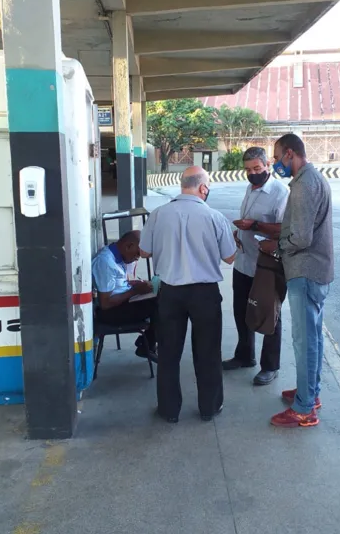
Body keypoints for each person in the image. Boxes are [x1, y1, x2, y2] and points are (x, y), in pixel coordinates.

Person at [139, 166, 236, 423]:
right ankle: (210, 407)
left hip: (170, 292)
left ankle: (169, 410)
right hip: (205, 294)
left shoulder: (158, 215)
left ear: (182, 184)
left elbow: (144, 252)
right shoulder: (215, 217)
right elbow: (229, 256)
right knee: (208, 351)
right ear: (203, 188)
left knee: (169, 352)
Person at [259, 134, 334, 428]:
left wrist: (274, 248)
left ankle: (304, 409)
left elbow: (301, 238)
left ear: (290, 154)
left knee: (304, 342)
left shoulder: (304, 185)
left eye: (277, 158)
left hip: (305, 271)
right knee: (312, 338)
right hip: (316, 270)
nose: (276, 163)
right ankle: (309, 394)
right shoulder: (313, 179)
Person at [222, 146, 289, 385]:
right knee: (241, 311)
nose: (252, 173)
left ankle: (270, 366)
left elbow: (285, 229)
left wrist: (253, 226)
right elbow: (246, 223)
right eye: (248, 170)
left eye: (257, 168)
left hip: (267, 267)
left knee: (270, 315)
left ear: (268, 166)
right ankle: (244, 355)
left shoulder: (280, 193)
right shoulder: (250, 189)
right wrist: (238, 232)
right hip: (243, 262)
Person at [92, 231, 157, 361]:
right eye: (137, 254)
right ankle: (146, 345)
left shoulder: (118, 257)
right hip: (111, 312)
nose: (137, 258)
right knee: (162, 304)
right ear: (128, 246)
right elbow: (105, 304)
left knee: (162, 298)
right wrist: (135, 291)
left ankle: (147, 343)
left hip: (124, 301)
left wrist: (135, 286)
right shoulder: (105, 262)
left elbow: (116, 285)